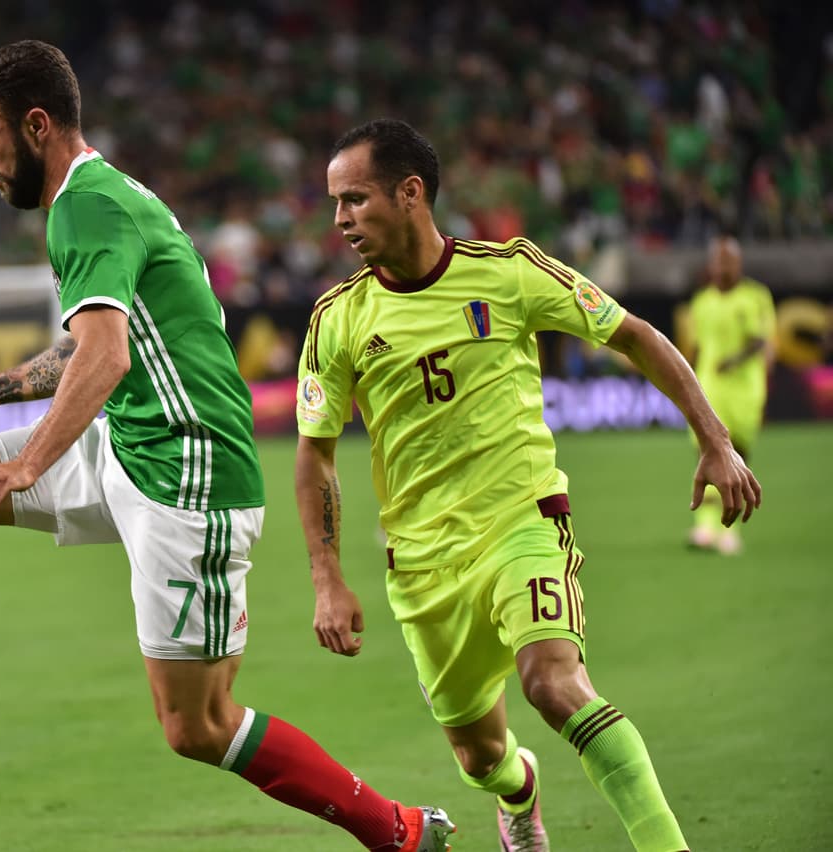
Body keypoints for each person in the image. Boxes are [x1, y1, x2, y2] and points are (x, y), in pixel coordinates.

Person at [0, 43, 455, 852]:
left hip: (188, 471)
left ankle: (399, 832)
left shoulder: (87, 208)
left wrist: (28, 464)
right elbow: (103, 340)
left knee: (199, 726)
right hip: (128, 442)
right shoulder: (98, 195)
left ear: (37, 126)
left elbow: (106, 357)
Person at [294, 119, 762, 852]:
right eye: (336, 203)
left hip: (523, 522)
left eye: (355, 199)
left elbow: (632, 333)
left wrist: (715, 439)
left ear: (410, 193)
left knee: (554, 684)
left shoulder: (510, 272)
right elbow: (315, 455)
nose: (340, 219)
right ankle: (520, 791)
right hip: (422, 565)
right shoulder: (338, 319)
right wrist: (327, 577)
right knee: (480, 758)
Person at [685, 235, 775, 555]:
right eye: (719, 261)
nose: (724, 267)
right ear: (711, 265)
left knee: (737, 456)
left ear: (739, 264)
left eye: (729, 261)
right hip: (709, 387)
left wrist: (734, 361)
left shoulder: (756, 297)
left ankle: (730, 530)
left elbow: (761, 340)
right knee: (705, 451)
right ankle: (704, 527)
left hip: (744, 389)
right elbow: (696, 348)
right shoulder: (701, 301)